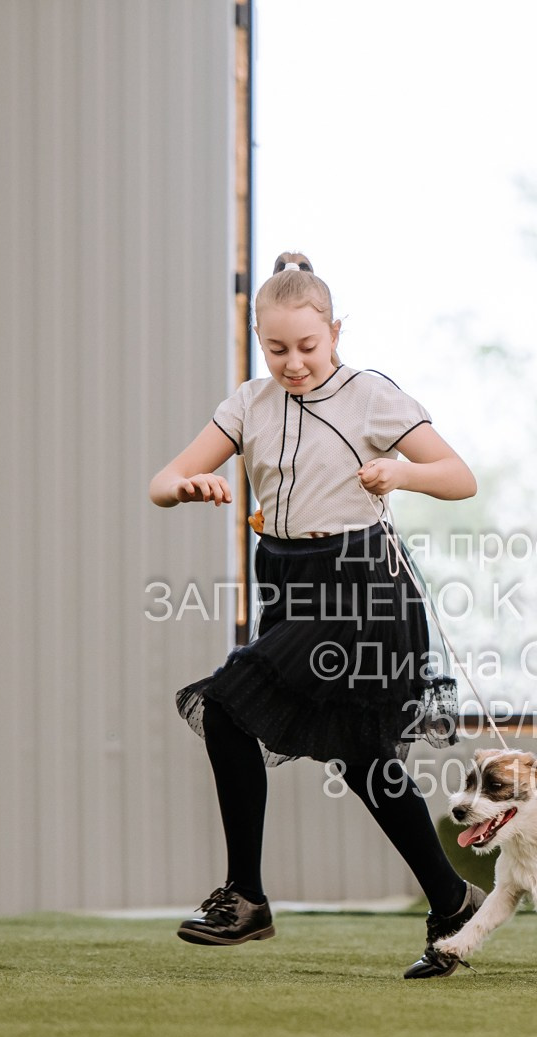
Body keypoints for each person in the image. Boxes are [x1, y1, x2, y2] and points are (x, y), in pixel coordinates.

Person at [147, 250, 485, 979]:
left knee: (229, 704)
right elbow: (162, 480)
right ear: (257, 338)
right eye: (276, 349)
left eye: (307, 346)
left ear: (336, 331)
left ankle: (246, 898)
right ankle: (452, 899)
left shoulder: (371, 395)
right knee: (363, 756)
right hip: (291, 584)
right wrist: (190, 487)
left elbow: (459, 476)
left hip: (365, 586)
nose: (293, 363)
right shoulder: (248, 403)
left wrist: (403, 472)